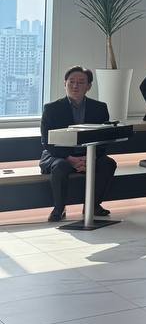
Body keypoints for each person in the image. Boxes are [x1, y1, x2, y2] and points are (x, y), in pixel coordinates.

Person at [40, 66, 117, 223]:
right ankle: (59, 208)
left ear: (88, 86)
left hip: (89, 154)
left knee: (108, 163)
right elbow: (47, 141)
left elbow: (104, 138)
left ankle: (92, 205)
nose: (75, 86)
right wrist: (70, 159)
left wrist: (90, 158)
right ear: (65, 83)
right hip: (58, 155)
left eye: (81, 82)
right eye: (71, 81)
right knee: (60, 166)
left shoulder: (99, 108)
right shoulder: (51, 109)